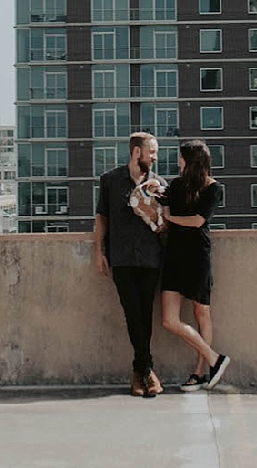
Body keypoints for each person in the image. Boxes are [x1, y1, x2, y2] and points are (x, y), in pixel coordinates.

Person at [93, 131, 167, 398]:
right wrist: (98, 251)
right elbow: (102, 218)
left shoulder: (159, 184)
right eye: (153, 152)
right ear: (138, 152)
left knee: (145, 314)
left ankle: (141, 372)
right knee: (132, 313)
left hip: (150, 258)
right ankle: (146, 370)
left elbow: (164, 224)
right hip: (121, 259)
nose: (155, 157)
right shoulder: (110, 181)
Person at [158, 139, 229, 390]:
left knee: (201, 312)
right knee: (169, 319)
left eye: (181, 157)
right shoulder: (175, 185)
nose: (178, 161)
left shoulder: (213, 188)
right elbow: (160, 204)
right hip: (174, 256)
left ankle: (199, 373)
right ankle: (215, 359)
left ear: (191, 160)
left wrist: (170, 217)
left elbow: (199, 221)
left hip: (197, 256)